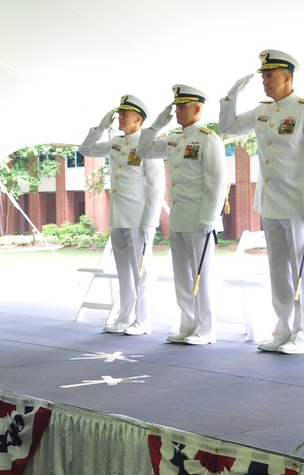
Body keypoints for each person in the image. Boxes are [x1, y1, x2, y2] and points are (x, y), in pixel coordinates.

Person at [219, 49, 304, 354]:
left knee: (302, 270)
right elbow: (227, 129)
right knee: (278, 270)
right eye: (263, 76)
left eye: (270, 76)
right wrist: (229, 98)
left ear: (287, 77)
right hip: (270, 202)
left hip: (299, 204)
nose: (265, 81)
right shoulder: (262, 111)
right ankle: (283, 329)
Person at [136, 85, 226, 345]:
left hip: (200, 218)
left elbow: (217, 182)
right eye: (176, 106)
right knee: (182, 275)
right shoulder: (175, 138)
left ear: (197, 109)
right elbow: (144, 151)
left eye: (182, 106)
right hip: (179, 218)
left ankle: (206, 329)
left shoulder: (208, 138)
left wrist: (209, 217)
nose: (177, 111)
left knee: (202, 275)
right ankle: (188, 324)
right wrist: (155, 126)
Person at [79, 94, 165, 335]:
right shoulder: (117, 143)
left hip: (139, 219)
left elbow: (157, 186)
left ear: (138, 119)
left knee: (142, 271)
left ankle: (143, 319)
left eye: (124, 114)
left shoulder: (149, 144)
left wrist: (150, 221)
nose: (119, 117)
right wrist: (100, 128)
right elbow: (86, 149)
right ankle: (125, 316)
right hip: (118, 217)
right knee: (124, 271)